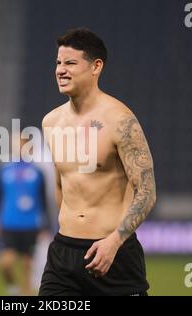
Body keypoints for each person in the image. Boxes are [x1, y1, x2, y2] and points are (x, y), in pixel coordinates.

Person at [39, 28, 157, 296]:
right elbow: (61, 183)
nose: (60, 70)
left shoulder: (121, 120)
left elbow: (147, 191)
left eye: (70, 63)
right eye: (58, 63)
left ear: (96, 67)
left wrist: (114, 241)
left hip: (114, 255)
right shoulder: (50, 122)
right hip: (63, 256)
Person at [0, 136, 51, 296]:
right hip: (9, 223)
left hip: (30, 224)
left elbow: (43, 200)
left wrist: (45, 225)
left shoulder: (37, 172)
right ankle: (12, 288)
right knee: (5, 262)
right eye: (18, 144)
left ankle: (26, 293)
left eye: (24, 144)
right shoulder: (4, 170)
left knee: (27, 264)